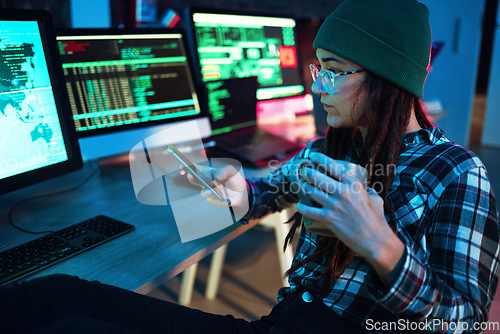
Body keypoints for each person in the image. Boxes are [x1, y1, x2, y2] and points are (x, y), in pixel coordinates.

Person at [2, 0, 499, 333]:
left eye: (335, 71)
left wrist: (381, 245)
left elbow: (464, 323)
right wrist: (241, 192)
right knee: (60, 298)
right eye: (317, 67)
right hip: (281, 323)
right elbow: (270, 190)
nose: (317, 87)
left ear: (389, 78)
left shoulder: (458, 173)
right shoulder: (334, 148)